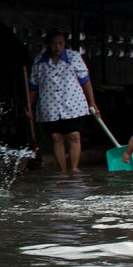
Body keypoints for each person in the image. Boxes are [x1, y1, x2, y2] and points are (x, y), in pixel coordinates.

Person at [28, 30, 98, 173]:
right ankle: (63, 171)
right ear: (48, 45)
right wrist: (29, 105)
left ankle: (74, 168)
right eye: (54, 44)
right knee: (56, 137)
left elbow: (85, 81)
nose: (57, 47)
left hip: (72, 103)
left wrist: (92, 102)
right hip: (49, 105)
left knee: (74, 135)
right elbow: (34, 86)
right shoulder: (40, 60)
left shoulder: (74, 57)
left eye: (60, 43)